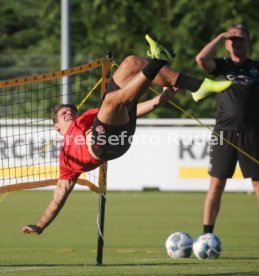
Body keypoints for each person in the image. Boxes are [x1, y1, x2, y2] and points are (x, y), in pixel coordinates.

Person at [21, 34, 231, 235]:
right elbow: (59, 196)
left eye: (71, 110)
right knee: (111, 101)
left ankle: (196, 86)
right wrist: (40, 225)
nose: (68, 112)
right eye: (63, 113)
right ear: (57, 127)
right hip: (107, 146)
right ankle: (158, 62)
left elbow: (134, 110)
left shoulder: (88, 117)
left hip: (118, 127)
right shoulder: (66, 159)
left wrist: (161, 100)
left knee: (130, 63)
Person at [196, 24, 259, 234]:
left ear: (248, 42)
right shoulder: (222, 66)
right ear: (226, 43)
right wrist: (221, 35)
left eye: (241, 39)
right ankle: (207, 234)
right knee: (217, 183)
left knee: (258, 184)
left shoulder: (256, 68)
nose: (236, 43)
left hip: (253, 132)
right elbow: (201, 59)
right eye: (232, 40)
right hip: (224, 132)